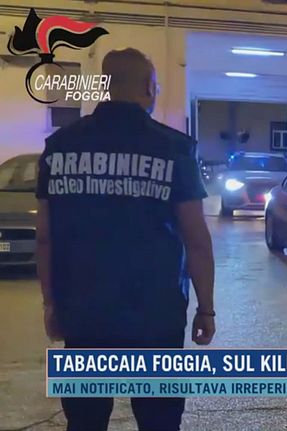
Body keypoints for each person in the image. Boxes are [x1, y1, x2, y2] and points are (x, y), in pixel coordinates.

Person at [36, 48, 216, 431]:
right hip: (156, 315)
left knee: (85, 421)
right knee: (159, 421)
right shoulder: (175, 149)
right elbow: (196, 240)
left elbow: (46, 238)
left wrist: (51, 303)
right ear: (149, 87)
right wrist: (206, 309)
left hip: (83, 312)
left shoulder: (60, 147)